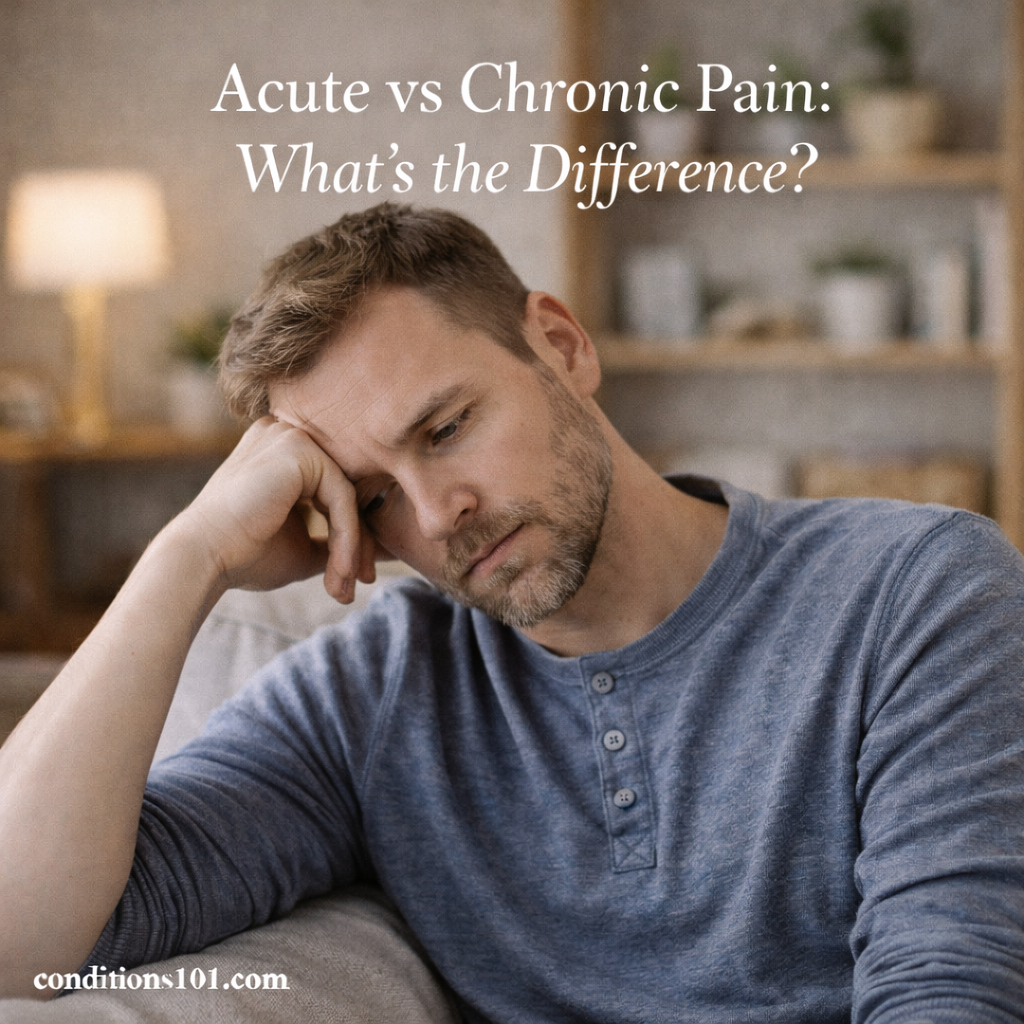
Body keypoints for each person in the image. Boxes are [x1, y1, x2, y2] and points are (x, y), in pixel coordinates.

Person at [1, 202, 1024, 1023]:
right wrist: (190, 556)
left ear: (561, 345)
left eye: (447, 427)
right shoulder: (369, 697)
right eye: (370, 496)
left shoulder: (914, 587)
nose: (437, 514)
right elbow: (23, 940)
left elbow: (953, 986)